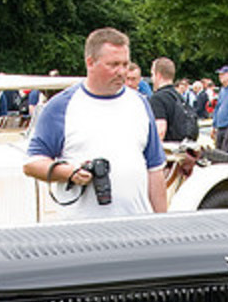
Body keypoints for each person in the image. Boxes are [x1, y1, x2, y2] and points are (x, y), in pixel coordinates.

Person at [23, 27, 167, 218]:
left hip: (136, 230)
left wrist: (162, 225)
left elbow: (154, 170)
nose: (122, 72)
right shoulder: (60, 107)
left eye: (125, 64)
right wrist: (68, 172)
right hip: (82, 234)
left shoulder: (141, 103)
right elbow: (32, 164)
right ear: (90, 63)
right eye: (113, 64)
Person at [148, 57, 195, 141]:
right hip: (184, 148)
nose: (152, 78)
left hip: (168, 149)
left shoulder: (157, 99)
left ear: (158, 75)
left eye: (152, 74)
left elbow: (160, 131)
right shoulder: (179, 97)